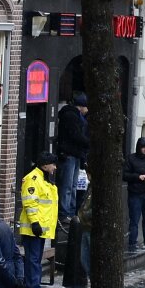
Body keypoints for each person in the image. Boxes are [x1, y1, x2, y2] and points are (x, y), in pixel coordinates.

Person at [18, 153, 57, 288]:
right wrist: (34, 222)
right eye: (53, 164)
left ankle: (33, 285)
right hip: (33, 228)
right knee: (33, 259)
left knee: (35, 258)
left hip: (39, 228)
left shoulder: (43, 179)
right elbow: (29, 202)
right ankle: (33, 287)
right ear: (45, 165)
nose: (55, 167)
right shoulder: (33, 179)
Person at [55, 92, 89, 223]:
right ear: (82, 107)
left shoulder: (73, 116)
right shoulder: (72, 116)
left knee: (72, 185)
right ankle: (66, 213)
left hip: (73, 154)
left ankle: (70, 211)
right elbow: (75, 135)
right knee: (68, 185)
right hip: (70, 154)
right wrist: (88, 142)